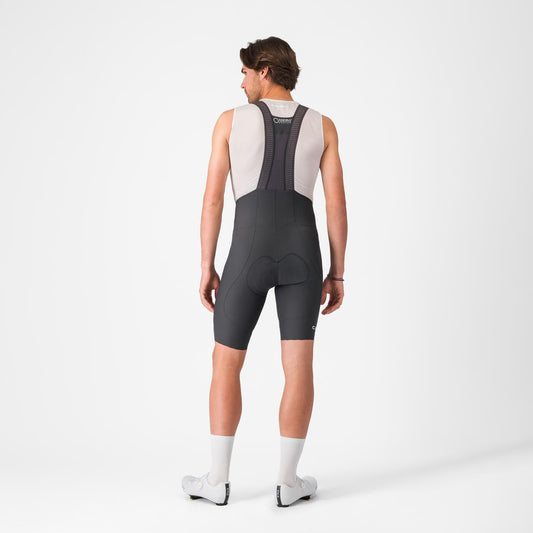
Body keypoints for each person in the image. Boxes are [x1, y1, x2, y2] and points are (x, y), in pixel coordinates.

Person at [182, 36, 347, 507]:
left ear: (265, 70)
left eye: (245, 73)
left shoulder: (229, 121)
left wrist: (207, 265)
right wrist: (337, 272)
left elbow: (213, 200)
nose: (241, 83)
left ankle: (217, 482)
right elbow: (336, 205)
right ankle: (288, 484)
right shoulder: (324, 125)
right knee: (298, 368)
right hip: (303, 256)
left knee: (225, 362)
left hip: (247, 255)